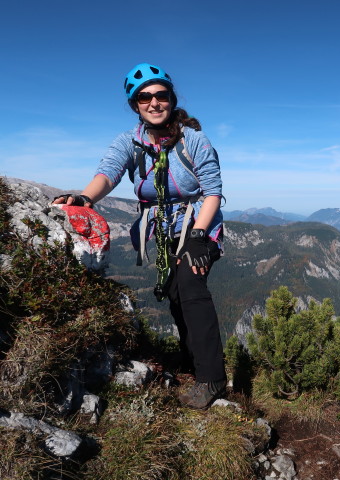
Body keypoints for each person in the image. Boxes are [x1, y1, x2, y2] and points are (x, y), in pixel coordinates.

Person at [53, 63, 226, 409]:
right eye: (144, 97)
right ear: (136, 105)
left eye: (161, 95)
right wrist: (86, 198)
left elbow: (213, 191)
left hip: (199, 224)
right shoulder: (130, 142)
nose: (154, 102)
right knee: (177, 296)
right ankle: (193, 362)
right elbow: (109, 172)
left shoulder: (193, 139)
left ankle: (213, 380)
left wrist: (198, 236)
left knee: (192, 292)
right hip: (164, 232)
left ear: (171, 99)